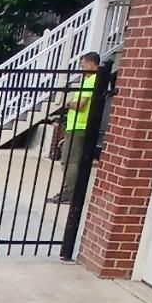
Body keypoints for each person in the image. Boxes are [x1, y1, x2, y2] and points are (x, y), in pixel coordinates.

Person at [51, 51, 101, 204]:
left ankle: (70, 193)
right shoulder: (90, 80)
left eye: (83, 63)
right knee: (69, 160)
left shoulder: (92, 81)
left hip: (80, 126)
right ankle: (69, 191)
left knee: (70, 161)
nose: (81, 67)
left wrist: (67, 104)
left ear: (91, 63)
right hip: (76, 126)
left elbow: (80, 105)